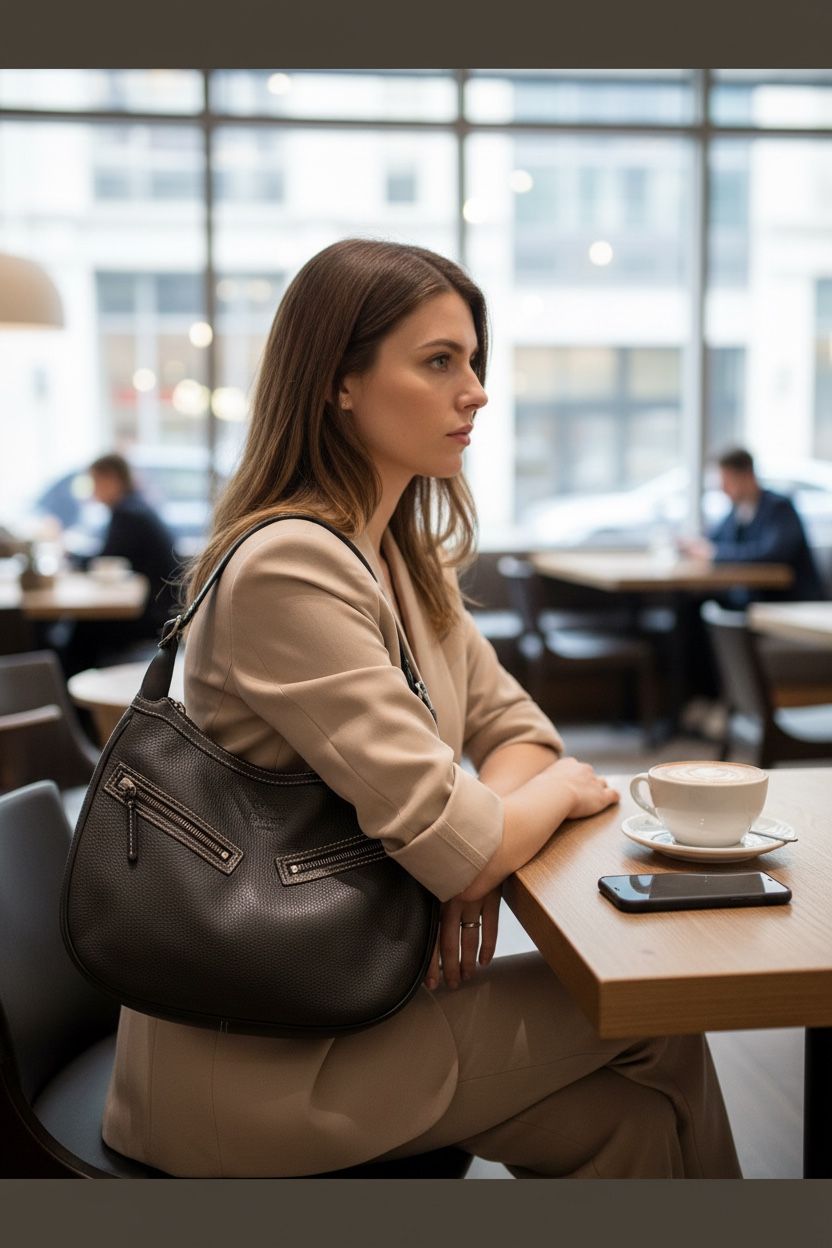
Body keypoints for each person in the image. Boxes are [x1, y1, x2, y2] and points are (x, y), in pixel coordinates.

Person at [101, 239, 741, 1179]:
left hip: (357, 999)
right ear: (339, 381)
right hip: (255, 1064)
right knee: (660, 1013)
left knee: (627, 1125)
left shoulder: (400, 558)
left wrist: (475, 853)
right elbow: (481, 826)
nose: (475, 391)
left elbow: (515, 739)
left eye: (473, 361)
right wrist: (543, 803)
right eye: (440, 361)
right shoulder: (290, 567)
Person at [55, 454, 180, 676]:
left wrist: (71, 556)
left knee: (82, 628)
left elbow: (106, 561)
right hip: (163, 609)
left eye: (95, 481)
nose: (93, 490)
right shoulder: (134, 508)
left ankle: (71, 691)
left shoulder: (128, 514)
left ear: (112, 479)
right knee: (81, 627)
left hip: (153, 615)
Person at [679, 446, 826, 608]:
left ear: (747, 476)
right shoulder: (737, 511)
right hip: (752, 594)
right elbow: (713, 540)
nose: (722, 488)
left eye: (727, 481)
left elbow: (770, 554)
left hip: (786, 599)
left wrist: (714, 554)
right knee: (689, 597)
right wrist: (695, 546)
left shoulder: (779, 508)